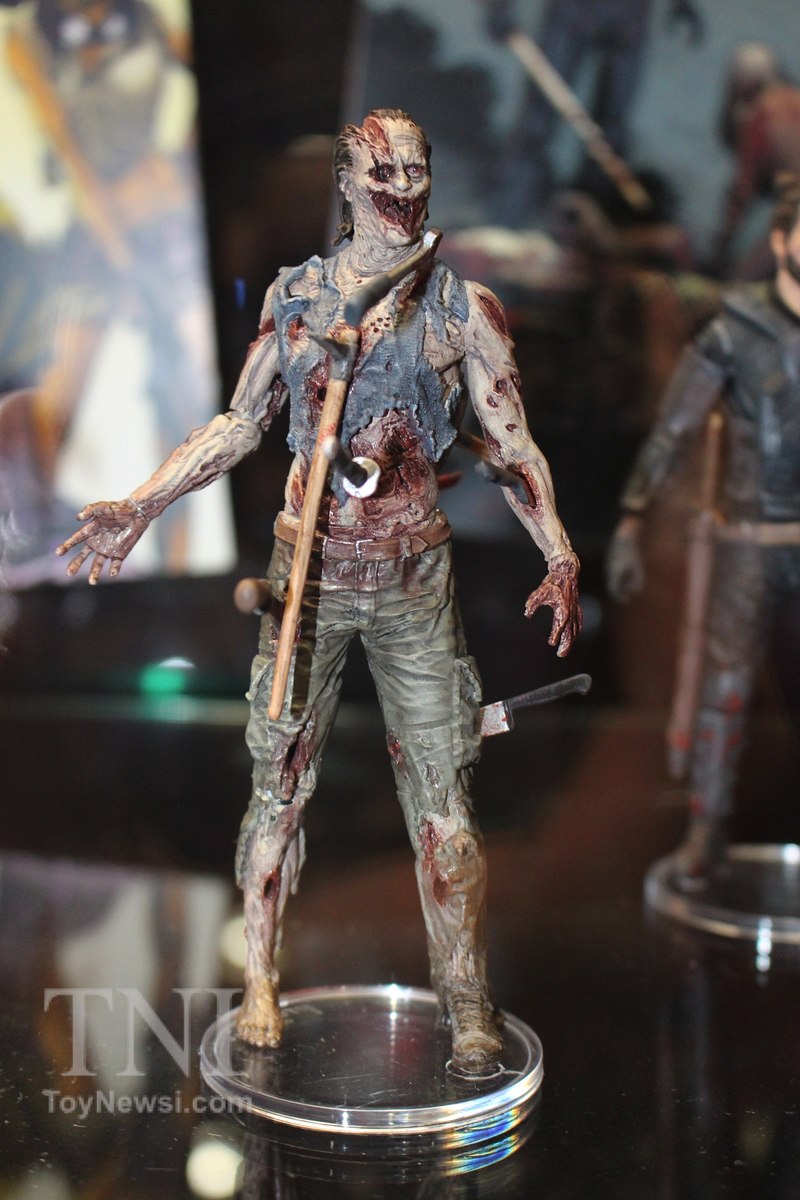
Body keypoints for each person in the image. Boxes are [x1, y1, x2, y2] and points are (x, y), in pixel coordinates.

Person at [57, 109, 581, 1073]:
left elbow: (511, 446)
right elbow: (239, 423)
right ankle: (259, 979)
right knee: (279, 786)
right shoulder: (298, 298)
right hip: (309, 574)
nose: (402, 187)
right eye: (383, 171)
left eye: (416, 169)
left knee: (445, 804)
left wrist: (559, 551)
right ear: (346, 181)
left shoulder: (462, 308)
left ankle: (468, 1002)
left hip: (415, 578)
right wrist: (141, 504)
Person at [607, 174, 800, 881]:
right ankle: (708, 828)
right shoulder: (733, 334)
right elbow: (673, 432)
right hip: (750, 543)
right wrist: (632, 520)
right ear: (780, 240)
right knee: (727, 688)